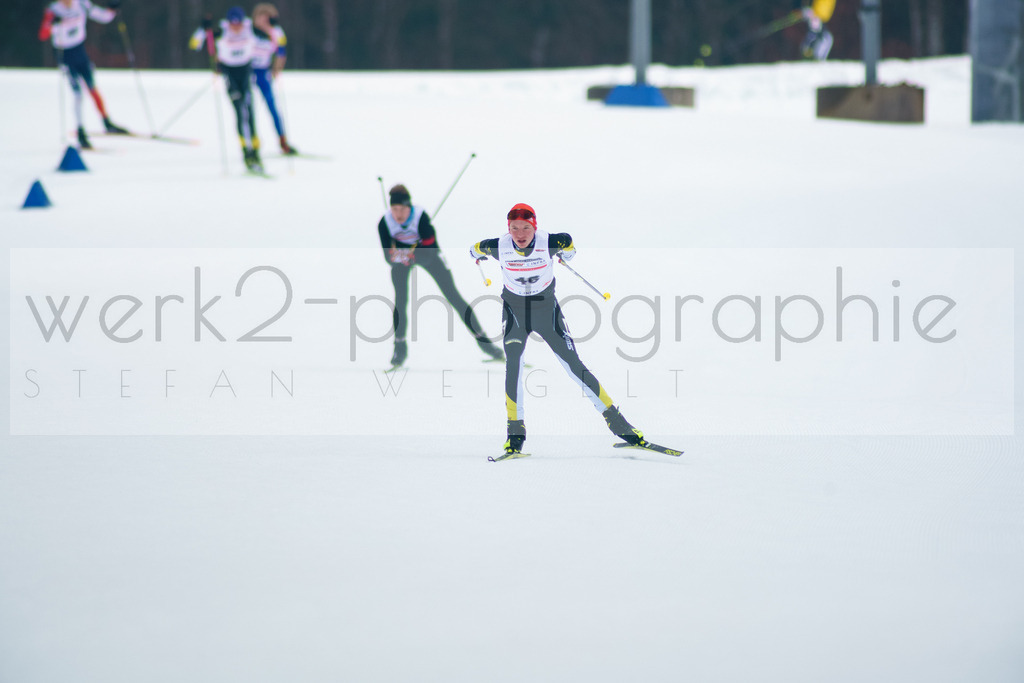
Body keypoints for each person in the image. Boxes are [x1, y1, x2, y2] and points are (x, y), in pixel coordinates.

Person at [470, 203, 646, 457]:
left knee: (573, 365)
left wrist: (568, 249)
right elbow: (473, 250)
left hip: (546, 311)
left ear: (535, 227)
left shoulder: (549, 242)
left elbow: (571, 252)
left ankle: (621, 426)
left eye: (526, 228)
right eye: (514, 228)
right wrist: (475, 256)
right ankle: (515, 436)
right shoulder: (498, 246)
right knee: (513, 365)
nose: (520, 234)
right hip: (514, 312)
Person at [379, 184, 504, 368]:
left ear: (409, 207)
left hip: (427, 256)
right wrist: (400, 257)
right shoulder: (385, 223)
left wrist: (411, 255)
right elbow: (388, 257)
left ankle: (487, 345)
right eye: (395, 209)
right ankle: (399, 350)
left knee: (453, 296)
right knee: (400, 301)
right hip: (403, 261)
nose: (399, 214)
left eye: (402, 209)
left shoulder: (420, 217)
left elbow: (430, 253)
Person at [38, 0, 129, 150]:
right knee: (78, 94)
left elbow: (103, 16)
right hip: (65, 55)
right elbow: (43, 34)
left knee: (92, 87)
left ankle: (107, 122)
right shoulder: (53, 10)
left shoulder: (81, 4)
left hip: (79, 52)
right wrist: (53, 24)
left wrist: (112, 9)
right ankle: (81, 132)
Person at [189, 6, 262, 172]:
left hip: (245, 73)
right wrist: (203, 28)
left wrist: (274, 26)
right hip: (230, 74)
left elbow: (277, 40)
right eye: (233, 23)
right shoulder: (221, 31)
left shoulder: (251, 30)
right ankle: (246, 151)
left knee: (250, 113)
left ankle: (255, 151)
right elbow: (194, 44)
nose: (236, 27)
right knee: (239, 112)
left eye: (239, 23)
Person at [250, 3, 297, 156]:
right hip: (247, 72)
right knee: (247, 107)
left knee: (272, 106)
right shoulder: (248, 30)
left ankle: (282, 141)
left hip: (263, 72)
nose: (263, 21)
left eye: (266, 18)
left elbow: (281, 52)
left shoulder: (276, 32)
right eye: (260, 17)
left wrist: (277, 68)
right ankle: (252, 143)